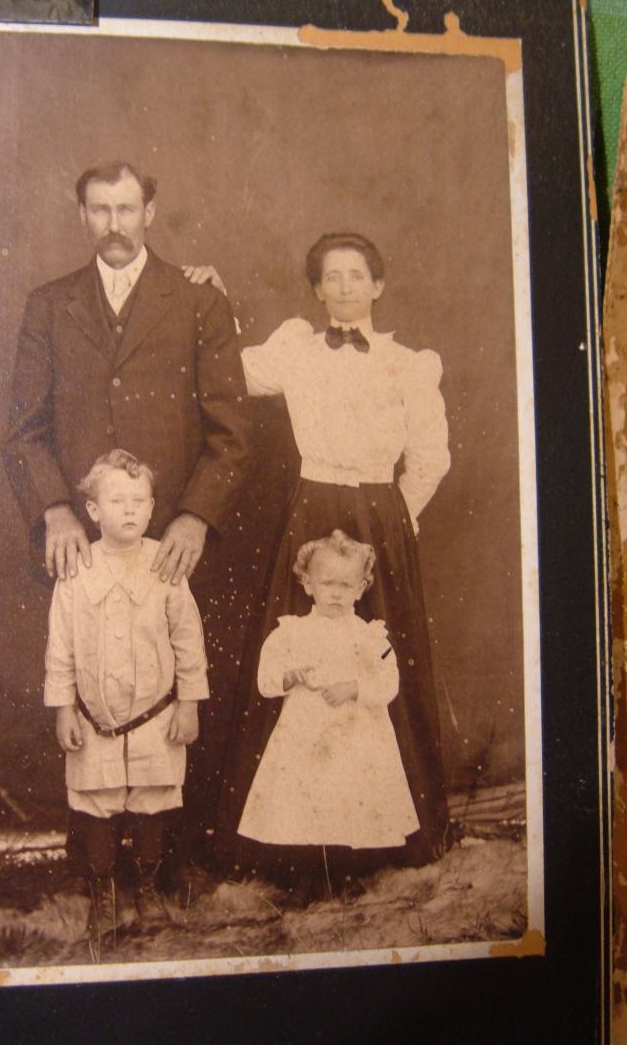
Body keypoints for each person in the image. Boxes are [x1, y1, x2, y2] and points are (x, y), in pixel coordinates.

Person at [3, 161, 252, 872]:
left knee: (171, 686)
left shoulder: (198, 301)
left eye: (126, 208)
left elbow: (233, 429)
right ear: (80, 214)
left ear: (150, 210)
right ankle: (95, 873)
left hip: (171, 540)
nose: (114, 224)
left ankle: (169, 868)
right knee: (86, 682)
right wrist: (54, 509)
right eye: (99, 210)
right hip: (83, 542)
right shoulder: (49, 305)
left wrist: (195, 517)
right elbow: (23, 429)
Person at [218, 231, 451, 871]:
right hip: (312, 505)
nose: (345, 287)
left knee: (378, 654)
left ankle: (400, 832)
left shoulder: (409, 363)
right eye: (332, 277)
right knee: (299, 645)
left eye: (357, 276)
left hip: (380, 513)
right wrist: (214, 303)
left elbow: (430, 459)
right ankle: (283, 838)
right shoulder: (295, 350)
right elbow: (228, 367)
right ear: (317, 290)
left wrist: (396, 522)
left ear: (377, 285)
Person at [44, 449, 209, 945]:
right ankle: (105, 896)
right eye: (117, 500)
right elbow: (60, 647)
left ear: (154, 507)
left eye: (140, 500)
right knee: (98, 803)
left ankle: (147, 889)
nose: (131, 510)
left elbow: (188, 641)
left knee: (153, 801)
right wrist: (63, 709)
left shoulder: (165, 565)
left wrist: (190, 703)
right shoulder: (77, 571)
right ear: (92, 510)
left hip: (156, 719)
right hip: (96, 721)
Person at [237, 530, 419, 899]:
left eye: (346, 584)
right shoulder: (290, 632)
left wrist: (355, 688)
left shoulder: (371, 637)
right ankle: (309, 875)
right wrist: (291, 676)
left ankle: (344, 873)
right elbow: (265, 680)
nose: (336, 593)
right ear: (307, 583)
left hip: (355, 734)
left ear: (361, 587)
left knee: (349, 794)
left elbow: (389, 681)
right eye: (327, 583)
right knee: (306, 795)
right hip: (305, 733)